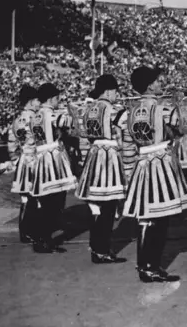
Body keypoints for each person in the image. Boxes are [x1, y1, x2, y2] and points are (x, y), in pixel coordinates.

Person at [119, 66, 187, 282]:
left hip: (142, 164)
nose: (161, 84)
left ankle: (146, 266)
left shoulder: (129, 112)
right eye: (158, 81)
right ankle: (150, 266)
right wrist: (179, 105)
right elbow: (181, 131)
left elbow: (128, 145)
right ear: (151, 85)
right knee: (160, 217)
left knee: (146, 217)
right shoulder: (163, 110)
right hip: (160, 163)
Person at [73, 74, 128, 264]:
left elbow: (81, 132)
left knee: (97, 205)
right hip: (108, 155)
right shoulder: (113, 110)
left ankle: (97, 247)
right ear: (108, 90)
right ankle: (101, 249)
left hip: (94, 153)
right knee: (108, 205)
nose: (117, 95)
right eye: (115, 91)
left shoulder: (88, 109)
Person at [29, 83, 78, 253]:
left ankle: (42, 238)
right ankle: (44, 239)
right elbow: (70, 122)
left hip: (40, 157)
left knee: (46, 201)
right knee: (54, 202)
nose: (59, 102)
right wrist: (71, 110)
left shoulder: (35, 116)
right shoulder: (50, 114)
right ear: (50, 99)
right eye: (57, 98)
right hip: (52, 159)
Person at [5, 85, 40, 244]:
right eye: (37, 100)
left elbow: (11, 145)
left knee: (25, 198)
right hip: (33, 160)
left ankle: (24, 232)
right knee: (34, 196)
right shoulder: (35, 118)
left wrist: (16, 161)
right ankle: (31, 231)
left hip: (21, 162)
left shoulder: (17, 119)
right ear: (32, 101)